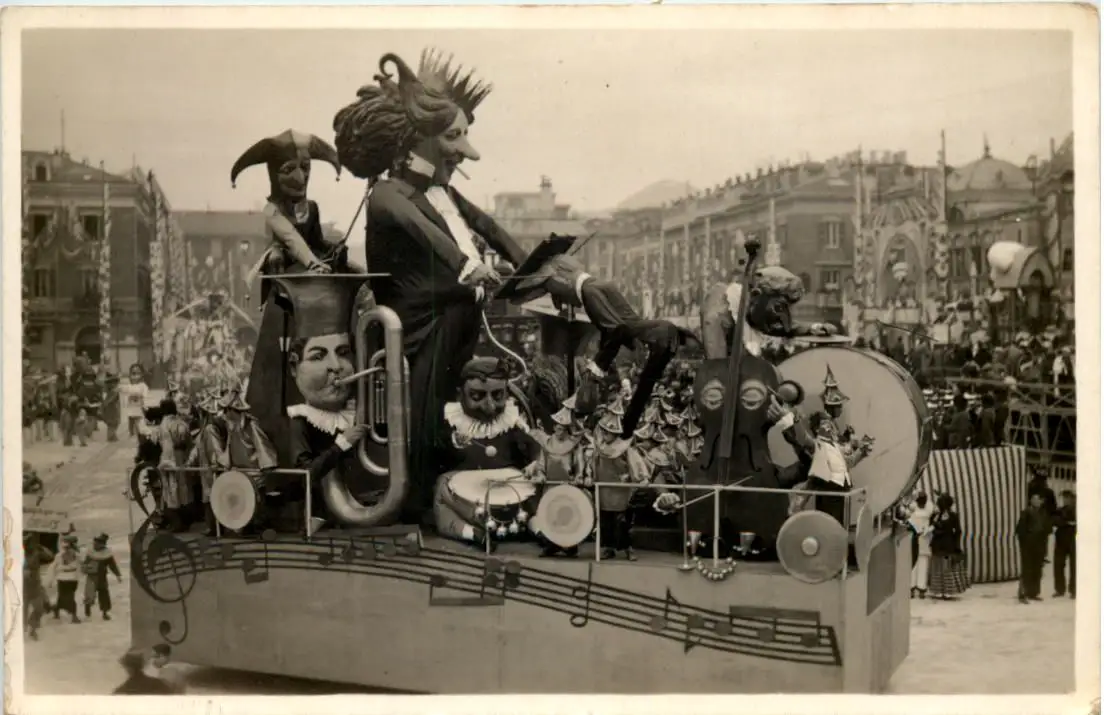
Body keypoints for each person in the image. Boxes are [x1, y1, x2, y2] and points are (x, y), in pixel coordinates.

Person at [333, 49, 529, 523]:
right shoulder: (388, 193)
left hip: (454, 311)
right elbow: (426, 234)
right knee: (425, 405)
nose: (465, 152)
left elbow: (488, 227)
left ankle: (445, 484)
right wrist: (466, 268)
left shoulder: (440, 190)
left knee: (451, 398)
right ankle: (417, 498)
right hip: (420, 321)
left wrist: (531, 267)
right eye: (454, 139)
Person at [928, 493, 969, 600]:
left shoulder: (951, 516)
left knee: (945, 566)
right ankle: (940, 590)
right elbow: (931, 526)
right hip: (939, 544)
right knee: (939, 566)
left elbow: (958, 531)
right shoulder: (936, 515)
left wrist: (956, 544)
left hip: (947, 544)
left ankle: (946, 591)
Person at [1016, 492, 1052, 603]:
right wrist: (1025, 542)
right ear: (1031, 501)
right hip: (1028, 545)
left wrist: (1044, 532)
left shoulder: (1044, 513)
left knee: (1037, 569)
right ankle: (1023, 594)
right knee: (1027, 569)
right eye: (1034, 499)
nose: (1036, 501)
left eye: (1038, 499)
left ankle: (1034, 593)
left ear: (1041, 501)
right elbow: (1020, 530)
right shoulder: (1026, 512)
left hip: (1040, 544)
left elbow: (1048, 528)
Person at [112, 645, 184, 695]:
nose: (152, 660)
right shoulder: (158, 684)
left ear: (127, 668)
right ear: (142, 664)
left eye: (155, 657)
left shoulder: (121, 691)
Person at [82, 533, 122, 620]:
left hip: (102, 577)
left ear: (102, 544)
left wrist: (118, 575)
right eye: (95, 543)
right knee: (89, 593)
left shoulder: (107, 554)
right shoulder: (91, 552)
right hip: (91, 576)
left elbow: (112, 565)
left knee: (104, 594)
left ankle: (105, 612)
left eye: (97, 543)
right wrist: (85, 568)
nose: (95, 544)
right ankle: (88, 606)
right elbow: (85, 563)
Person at [22, 533, 54, 641]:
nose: (30, 545)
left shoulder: (37, 552)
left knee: (40, 609)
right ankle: (23, 632)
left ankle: (32, 627)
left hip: (35, 584)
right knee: (22, 611)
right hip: (22, 586)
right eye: (28, 543)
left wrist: (42, 548)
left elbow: (50, 557)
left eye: (31, 542)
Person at [47, 533, 83, 623]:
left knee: (63, 597)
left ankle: (56, 609)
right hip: (63, 579)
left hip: (72, 579)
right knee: (69, 597)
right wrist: (50, 580)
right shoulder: (59, 556)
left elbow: (81, 566)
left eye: (68, 546)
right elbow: (53, 567)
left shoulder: (77, 555)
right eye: (65, 546)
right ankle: (74, 616)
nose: (66, 548)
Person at [908, 492, 935, 598]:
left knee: (921, 563)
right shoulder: (913, 509)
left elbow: (932, 522)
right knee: (914, 563)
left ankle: (920, 588)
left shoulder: (929, 508)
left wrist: (928, 530)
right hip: (916, 537)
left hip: (923, 538)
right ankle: (913, 587)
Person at [1052, 489, 1076, 599]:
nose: (1065, 500)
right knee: (1058, 564)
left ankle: (1074, 590)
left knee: (1074, 566)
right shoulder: (1060, 510)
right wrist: (1067, 522)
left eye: (1068, 498)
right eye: (1064, 498)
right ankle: (1059, 589)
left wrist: (1063, 522)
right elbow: (1054, 520)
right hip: (1061, 539)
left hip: (1074, 539)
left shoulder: (1078, 509)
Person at [119, 363, 150, 438]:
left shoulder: (143, 385)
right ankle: (132, 434)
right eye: (133, 373)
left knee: (139, 422)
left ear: (142, 374)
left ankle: (143, 434)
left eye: (138, 373)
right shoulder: (129, 386)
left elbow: (144, 395)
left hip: (139, 407)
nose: (135, 376)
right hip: (131, 407)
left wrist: (140, 399)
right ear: (130, 375)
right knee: (131, 421)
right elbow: (122, 389)